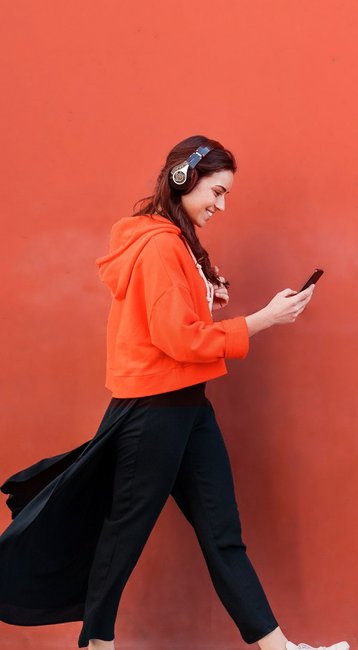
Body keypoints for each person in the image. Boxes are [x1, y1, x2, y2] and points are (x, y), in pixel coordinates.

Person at [0, 135, 349, 650]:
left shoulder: (173, 243)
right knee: (123, 535)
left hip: (187, 406)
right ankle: (98, 644)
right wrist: (263, 320)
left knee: (221, 534)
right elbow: (178, 339)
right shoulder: (163, 244)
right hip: (155, 412)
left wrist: (207, 294)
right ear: (185, 179)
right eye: (218, 190)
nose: (221, 205)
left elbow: (175, 326)